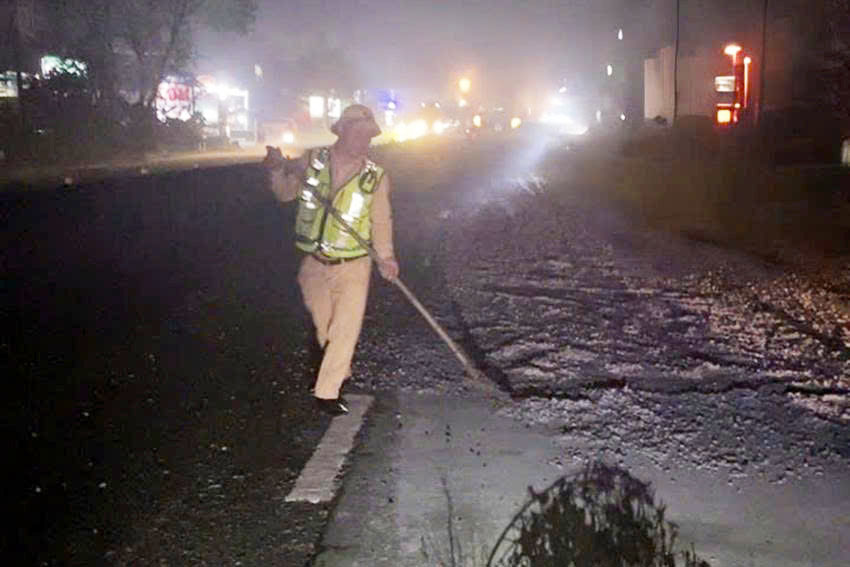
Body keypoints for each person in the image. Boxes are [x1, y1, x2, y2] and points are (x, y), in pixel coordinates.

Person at [263, 104, 399, 416]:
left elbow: (381, 220)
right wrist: (275, 170)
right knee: (325, 327)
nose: (363, 140)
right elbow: (285, 195)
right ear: (342, 131)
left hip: (354, 265)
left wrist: (386, 257)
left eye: (368, 135)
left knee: (345, 329)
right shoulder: (313, 161)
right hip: (314, 263)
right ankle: (337, 367)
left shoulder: (375, 177)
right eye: (357, 132)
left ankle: (327, 392)